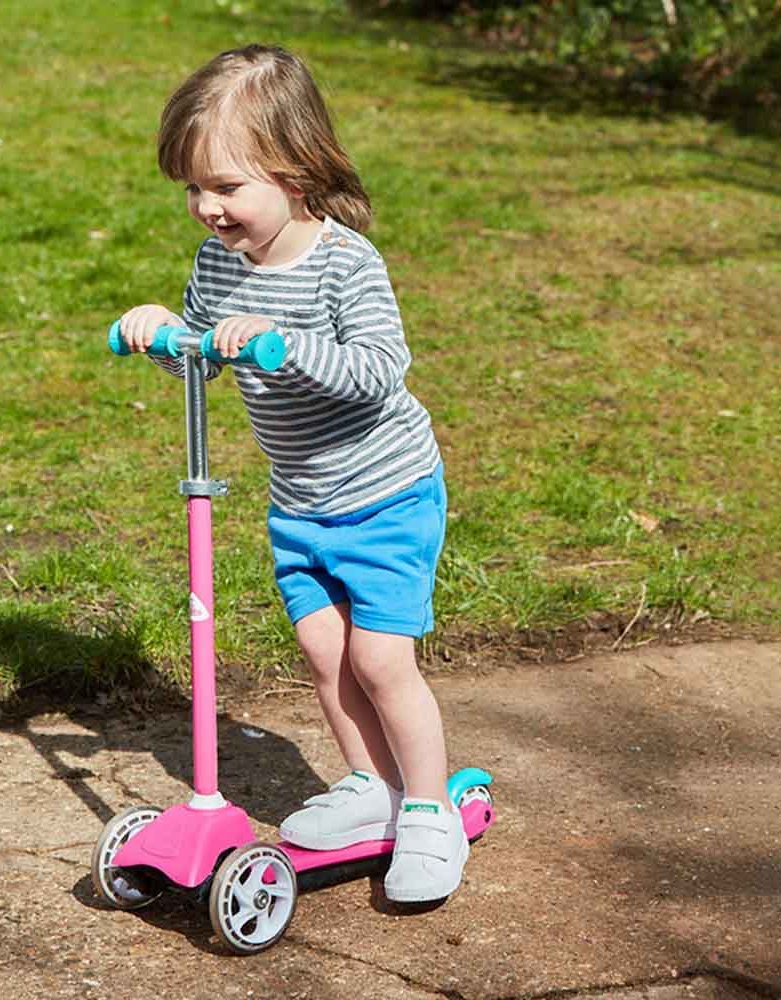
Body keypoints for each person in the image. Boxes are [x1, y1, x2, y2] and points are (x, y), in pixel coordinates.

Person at [116, 43, 466, 903]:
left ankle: (428, 811)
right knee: (322, 651)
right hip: (303, 502)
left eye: (227, 187)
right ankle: (368, 787)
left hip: (386, 493)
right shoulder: (216, 263)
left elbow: (381, 366)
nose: (207, 208)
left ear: (298, 173)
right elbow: (203, 357)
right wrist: (163, 330)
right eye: (193, 189)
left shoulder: (347, 263)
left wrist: (289, 346)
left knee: (383, 660)